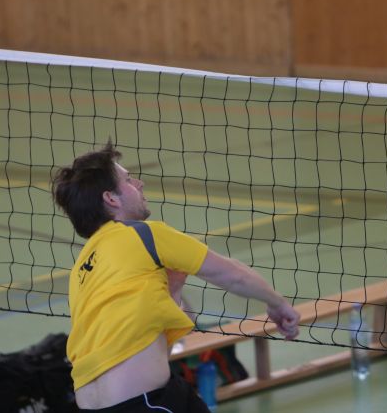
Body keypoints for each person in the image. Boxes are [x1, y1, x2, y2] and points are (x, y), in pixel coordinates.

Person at [52, 142, 301, 412]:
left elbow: (150, 350)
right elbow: (233, 275)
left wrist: (173, 292)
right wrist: (278, 304)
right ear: (111, 198)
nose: (140, 183)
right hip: (145, 402)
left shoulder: (82, 269)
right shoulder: (143, 234)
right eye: (129, 180)